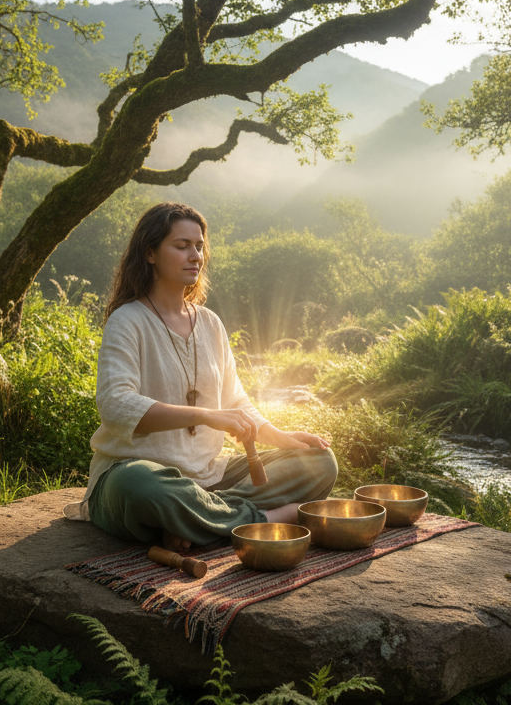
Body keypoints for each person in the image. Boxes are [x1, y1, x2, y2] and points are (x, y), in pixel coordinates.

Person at [63, 202, 338, 551]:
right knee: (140, 486)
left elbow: (235, 400)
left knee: (319, 461)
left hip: (210, 476)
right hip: (134, 474)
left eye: (199, 246)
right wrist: (206, 415)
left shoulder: (210, 323)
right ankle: (265, 518)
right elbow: (116, 406)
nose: (195, 256)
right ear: (150, 253)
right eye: (182, 246)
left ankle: (197, 519)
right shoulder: (127, 321)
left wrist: (279, 436)